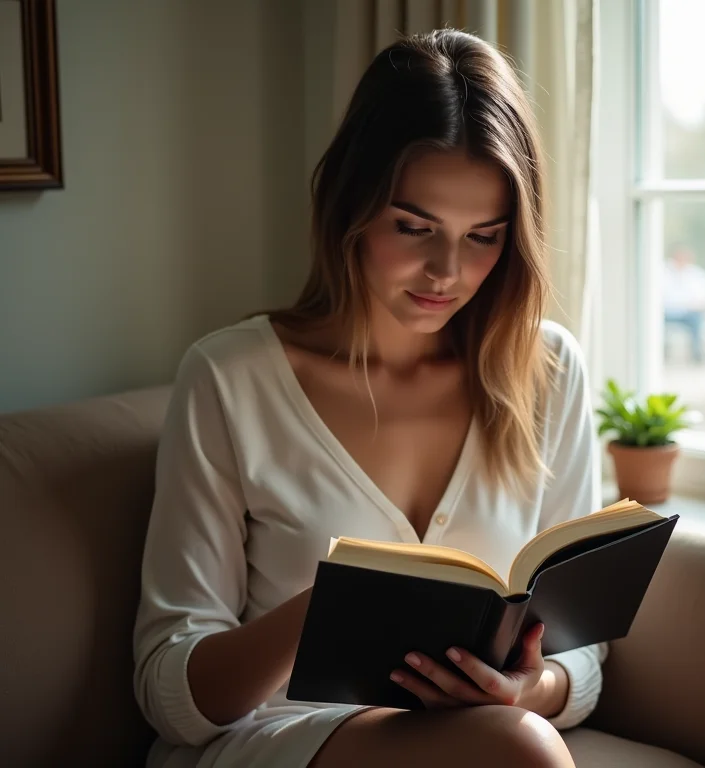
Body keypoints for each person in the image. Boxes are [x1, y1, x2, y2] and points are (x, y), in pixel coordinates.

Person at [133, 29, 606, 768]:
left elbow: (579, 662)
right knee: (522, 752)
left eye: (483, 236)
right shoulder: (231, 377)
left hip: (483, 737)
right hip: (279, 740)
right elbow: (171, 693)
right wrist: (328, 604)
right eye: (414, 228)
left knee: (517, 739)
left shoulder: (545, 370)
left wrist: (527, 687)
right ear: (351, 208)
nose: (447, 270)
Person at [663, 243, 705, 363]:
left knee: (696, 320)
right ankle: (661, 353)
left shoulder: (697, 275)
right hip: (666, 312)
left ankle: (697, 355)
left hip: (689, 313)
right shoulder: (663, 272)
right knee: (655, 320)